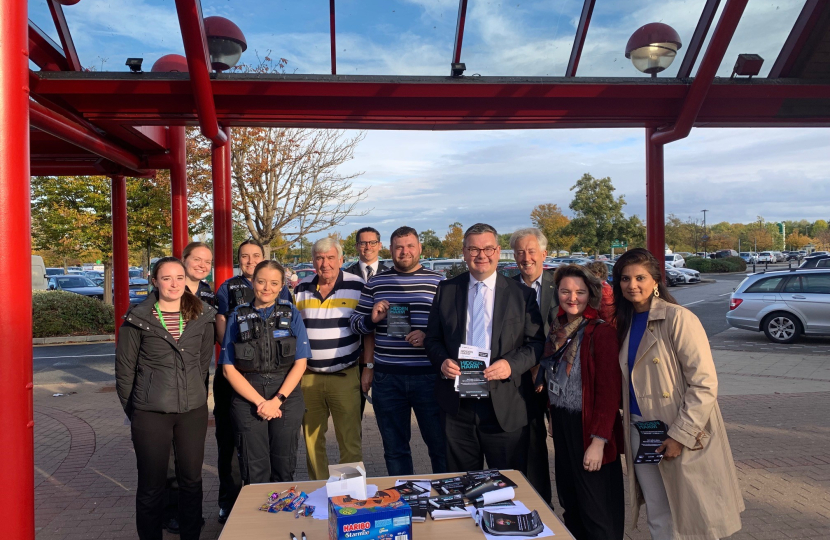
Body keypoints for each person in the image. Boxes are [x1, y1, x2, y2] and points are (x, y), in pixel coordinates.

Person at [613, 248, 744, 540]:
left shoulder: (678, 318)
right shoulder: (623, 322)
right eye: (625, 278)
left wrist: (679, 435)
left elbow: (704, 383)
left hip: (678, 428)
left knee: (693, 517)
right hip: (639, 430)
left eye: (640, 277)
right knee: (659, 514)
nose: (632, 285)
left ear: (656, 281)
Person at [425, 223, 545, 473]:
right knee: (461, 484)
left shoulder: (521, 295)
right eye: (474, 249)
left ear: (499, 251)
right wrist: (442, 361)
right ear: (464, 252)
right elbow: (432, 339)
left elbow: (536, 343)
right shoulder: (446, 290)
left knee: (507, 485)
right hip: (457, 407)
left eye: (488, 248)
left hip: (503, 404)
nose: (481, 255)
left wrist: (511, 365)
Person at [115, 257, 216, 540]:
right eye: (167, 278)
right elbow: (124, 372)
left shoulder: (202, 316)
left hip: (192, 412)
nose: (174, 284)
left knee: (191, 481)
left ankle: (190, 534)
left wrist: (195, 393)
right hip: (150, 414)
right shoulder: (138, 318)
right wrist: (135, 412)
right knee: (151, 485)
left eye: (179, 278)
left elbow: (202, 362)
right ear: (154, 281)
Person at [350, 226, 447, 475]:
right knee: (394, 449)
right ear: (390, 250)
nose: (405, 251)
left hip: (430, 377)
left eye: (410, 246)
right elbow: (355, 324)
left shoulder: (439, 282)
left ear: (420, 248)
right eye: (399, 247)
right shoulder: (376, 283)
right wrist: (372, 319)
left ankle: (446, 498)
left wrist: (429, 337)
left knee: (440, 446)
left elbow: (453, 328)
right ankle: (405, 500)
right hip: (388, 378)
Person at [539, 264, 624, 539]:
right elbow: (553, 374)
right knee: (570, 499)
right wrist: (552, 415)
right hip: (564, 423)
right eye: (565, 291)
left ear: (591, 294)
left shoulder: (601, 333)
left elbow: (609, 393)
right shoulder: (558, 327)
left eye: (579, 292)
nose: (571, 297)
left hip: (590, 426)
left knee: (596, 505)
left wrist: (598, 442)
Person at [213, 239, 290, 522]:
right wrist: (240, 357)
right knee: (231, 441)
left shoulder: (278, 286)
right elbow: (222, 325)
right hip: (236, 373)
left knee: (275, 444)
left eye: (255, 255)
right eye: (244, 256)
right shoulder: (227, 288)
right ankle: (229, 501)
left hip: (272, 377)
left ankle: (277, 501)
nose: (249, 259)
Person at [219, 260, 311, 484]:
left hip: (286, 396)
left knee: (284, 465)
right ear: (252, 282)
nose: (266, 288)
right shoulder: (237, 316)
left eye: (273, 283)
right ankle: (257, 517)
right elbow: (228, 369)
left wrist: (276, 400)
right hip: (248, 396)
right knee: (253, 468)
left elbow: (300, 363)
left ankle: (282, 517)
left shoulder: (292, 314)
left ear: (282, 286)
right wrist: (261, 402)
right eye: (261, 282)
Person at [294, 237, 366, 480]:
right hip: (308, 377)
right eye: (319, 258)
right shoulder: (301, 288)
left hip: (344, 375)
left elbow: (367, 332)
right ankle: (320, 490)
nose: (325, 263)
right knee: (312, 440)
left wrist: (368, 369)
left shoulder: (358, 286)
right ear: (313, 260)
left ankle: (349, 494)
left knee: (349, 439)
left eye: (330, 257)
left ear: (341, 260)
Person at [161, 242, 217, 533]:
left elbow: (210, 343)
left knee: (189, 455)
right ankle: (170, 512)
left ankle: (189, 512)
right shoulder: (166, 293)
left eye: (207, 261)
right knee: (170, 457)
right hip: (166, 387)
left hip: (195, 384)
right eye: (196, 259)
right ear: (183, 260)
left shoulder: (208, 294)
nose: (202, 265)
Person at [509, 227, 557, 505]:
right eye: (519, 252)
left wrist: (544, 365)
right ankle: (538, 503)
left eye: (531, 251)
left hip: (559, 378)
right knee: (531, 444)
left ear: (543, 253)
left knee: (565, 444)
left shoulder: (560, 284)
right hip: (522, 379)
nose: (525, 257)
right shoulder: (509, 289)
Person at [343, 226, 389, 416]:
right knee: (353, 415)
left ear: (379, 245)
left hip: (385, 355)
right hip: (354, 355)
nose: (367, 247)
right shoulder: (345, 277)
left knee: (388, 415)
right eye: (363, 243)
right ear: (357, 246)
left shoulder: (391, 276)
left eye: (372, 242)